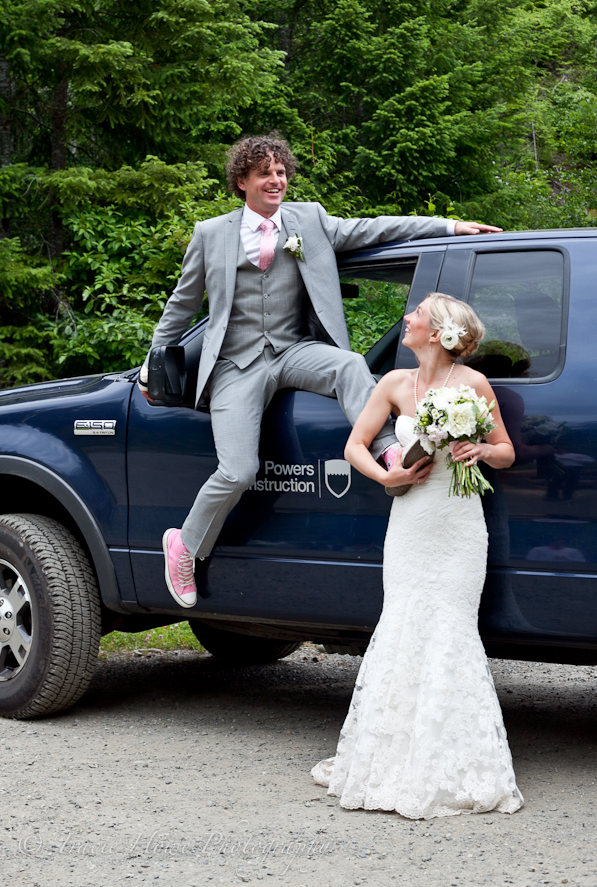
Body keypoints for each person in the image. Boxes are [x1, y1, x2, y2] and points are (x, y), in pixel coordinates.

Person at [138, 133, 502, 608]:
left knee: (350, 365)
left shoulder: (308, 220)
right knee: (239, 469)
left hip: (294, 350)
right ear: (242, 180)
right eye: (265, 172)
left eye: (282, 172)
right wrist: (154, 363)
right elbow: (182, 305)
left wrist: (449, 227)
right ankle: (184, 545)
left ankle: (391, 453)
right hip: (237, 364)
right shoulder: (211, 234)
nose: (277, 179)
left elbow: (377, 229)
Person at [311, 292, 524, 819]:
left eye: (417, 315)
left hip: (458, 525)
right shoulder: (392, 384)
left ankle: (453, 762)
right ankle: (390, 757)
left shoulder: (473, 385)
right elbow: (354, 446)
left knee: (450, 626)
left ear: (440, 332)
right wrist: (389, 476)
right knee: (403, 623)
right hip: (410, 524)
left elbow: (507, 451)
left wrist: (480, 450)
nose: (407, 320)